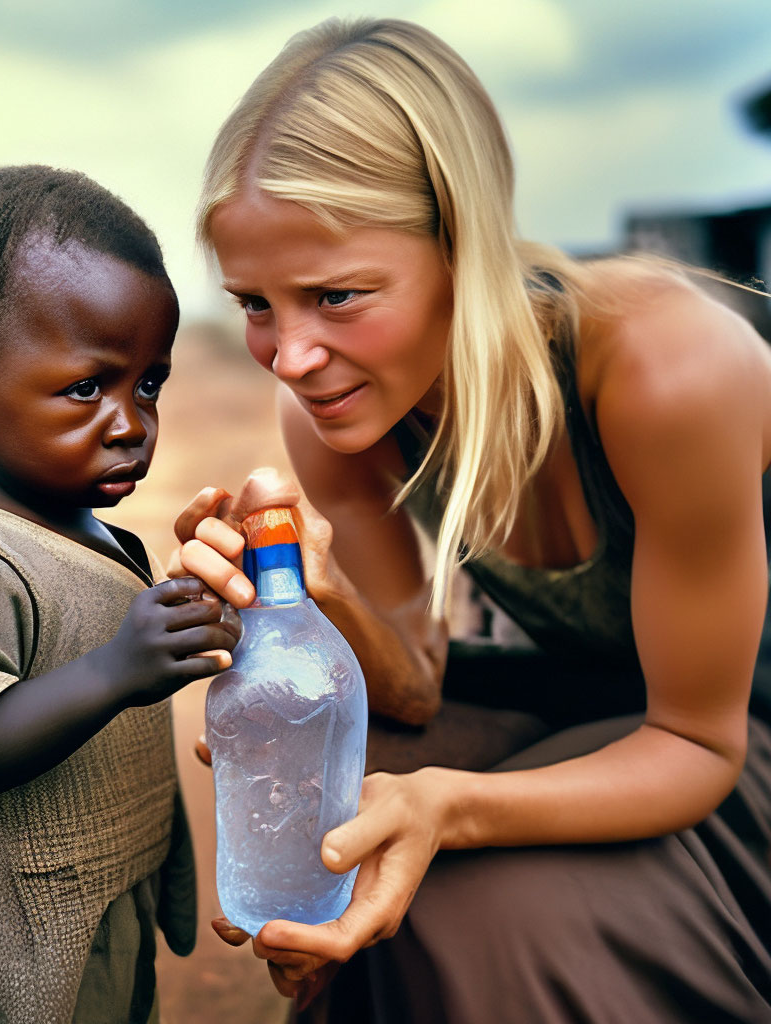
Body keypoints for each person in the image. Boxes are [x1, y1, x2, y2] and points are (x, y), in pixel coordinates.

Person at [171, 17, 771, 1022]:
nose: (290, 353)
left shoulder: (664, 372)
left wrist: (449, 810)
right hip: (597, 705)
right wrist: (310, 603)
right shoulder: (339, 412)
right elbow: (411, 689)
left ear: (463, 243)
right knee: (334, 779)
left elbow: (698, 743)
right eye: (257, 304)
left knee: (463, 906)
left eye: (336, 295)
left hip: (732, 735)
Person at [0, 166, 240, 1024]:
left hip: (79, 892)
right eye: (87, 387)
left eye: (148, 382)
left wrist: (183, 621)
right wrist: (116, 668)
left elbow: (93, 620)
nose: (132, 421)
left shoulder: (85, 525)